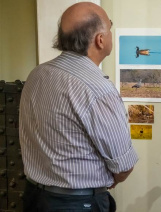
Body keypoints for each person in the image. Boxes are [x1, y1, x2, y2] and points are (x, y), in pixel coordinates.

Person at [19, 2, 138, 212]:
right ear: (100, 40)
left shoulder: (36, 75)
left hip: (34, 197)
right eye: (109, 27)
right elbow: (123, 165)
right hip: (76, 204)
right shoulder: (98, 89)